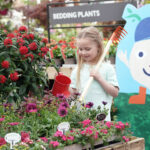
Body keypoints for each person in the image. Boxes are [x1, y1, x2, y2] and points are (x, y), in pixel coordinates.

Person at [69, 26, 119, 121]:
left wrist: (100, 78)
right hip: (81, 119)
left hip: (101, 119)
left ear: (98, 48)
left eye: (87, 49)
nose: (83, 52)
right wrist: (65, 85)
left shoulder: (107, 68)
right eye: (81, 49)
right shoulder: (77, 70)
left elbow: (115, 93)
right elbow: (74, 93)